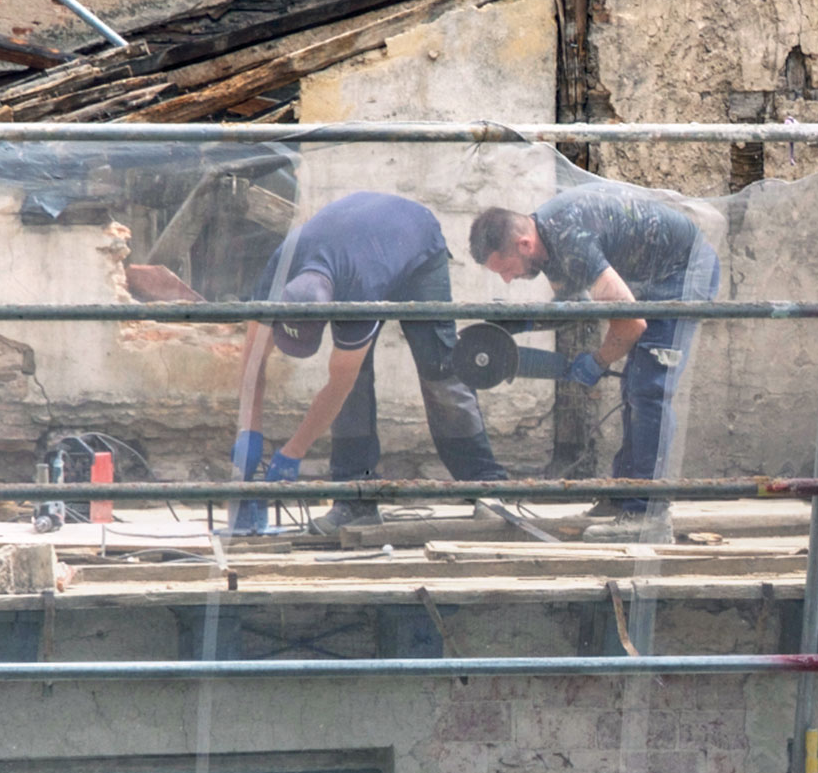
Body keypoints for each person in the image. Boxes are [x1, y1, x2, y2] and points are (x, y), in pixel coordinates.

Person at [234, 191, 504, 535]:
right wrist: (248, 436)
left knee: (439, 369)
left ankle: (486, 487)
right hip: (359, 247)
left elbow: (338, 385)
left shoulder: (360, 287)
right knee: (357, 385)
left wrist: (293, 452)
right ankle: (355, 498)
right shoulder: (279, 270)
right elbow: (253, 362)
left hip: (415, 243)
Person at [468, 186, 720, 544]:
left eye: (506, 269)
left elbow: (631, 323)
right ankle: (624, 497)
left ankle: (647, 515)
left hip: (684, 273)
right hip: (653, 278)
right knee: (635, 388)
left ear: (524, 244)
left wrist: (599, 361)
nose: (508, 279)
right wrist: (519, 322)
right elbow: (573, 307)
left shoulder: (570, 239)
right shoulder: (548, 242)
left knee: (650, 391)